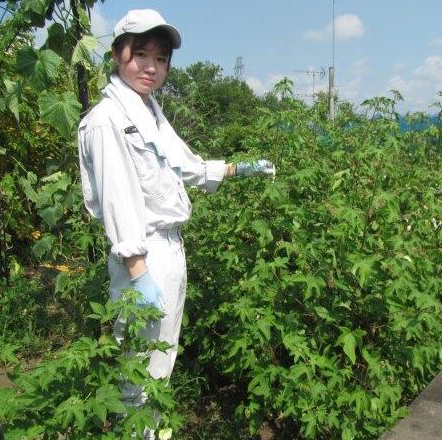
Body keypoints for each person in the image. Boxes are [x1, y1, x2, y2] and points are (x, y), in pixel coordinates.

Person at [77, 8, 274, 435]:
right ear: (117, 54)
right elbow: (118, 202)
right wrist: (137, 270)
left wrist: (239, 169)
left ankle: (151, 431)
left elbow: (186, 166)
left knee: (160, 361)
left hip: (168, 250)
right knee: (139, 369)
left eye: (162, 58)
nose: (151, 66)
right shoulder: (107, 121)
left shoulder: (149, 111)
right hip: (142, 256)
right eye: (141, 53)